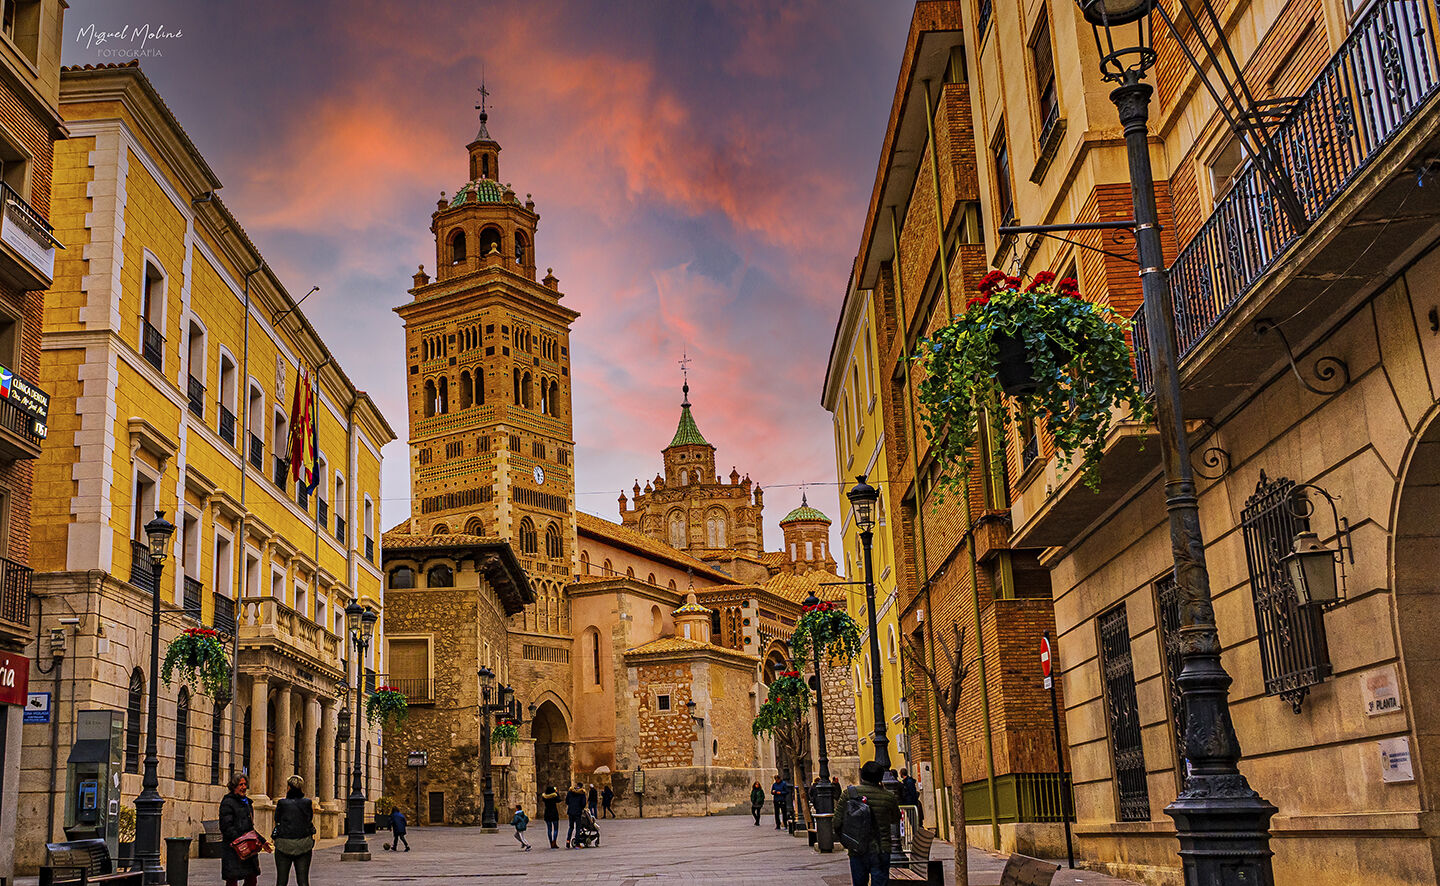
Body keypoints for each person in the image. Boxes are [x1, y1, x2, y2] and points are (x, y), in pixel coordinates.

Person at [833, 761, 901, 886]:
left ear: (862, 775)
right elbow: (895, 819)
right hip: (881, 848)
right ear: (880, 777)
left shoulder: (849, 794)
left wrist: (847, 840)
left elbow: (836, 822)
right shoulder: (888, 796)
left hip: (857, 847)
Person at [219, 773, 269, 886]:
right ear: (234, 787)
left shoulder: (247, 803)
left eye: (245, 784)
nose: (244, 787)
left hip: (249, 847)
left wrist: (262, 841)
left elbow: (250, 827)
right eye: (241, 784)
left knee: (251, 877)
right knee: (232, 879)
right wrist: (241, 841)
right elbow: (226, 826)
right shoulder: (228, 802)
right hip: (234, 847)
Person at [273, 775, 316, 886]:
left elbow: (277, 819)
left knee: (281, 881)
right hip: (304, 844)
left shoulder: (282, 803)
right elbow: (309, 818)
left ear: (289, 787)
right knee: (303, 881)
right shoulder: (307, 803)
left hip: (284, 844)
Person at [565, 782, 587, 848]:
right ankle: (577, 843)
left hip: (571, 811)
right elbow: (583, 804)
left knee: (571, 827)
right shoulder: (582, 793)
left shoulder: (570, 792)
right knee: (578, 827)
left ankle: (568, 841)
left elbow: (567, 801)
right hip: (578, 812)